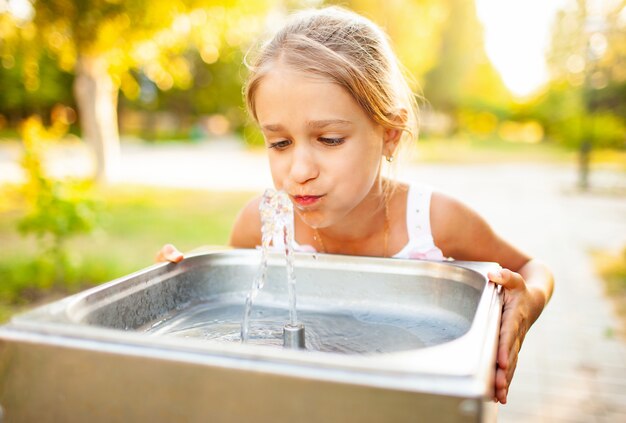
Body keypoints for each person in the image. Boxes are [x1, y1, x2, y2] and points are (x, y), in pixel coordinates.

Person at [156, 6, 554, 404]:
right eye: (279, 143)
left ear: (390, 135)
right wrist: (184, 279)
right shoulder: (262, 224)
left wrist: (527, 304)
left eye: (329, 139)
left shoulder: (433, 222)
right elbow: (234, 300)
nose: (299, 170)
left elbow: (531, 269)